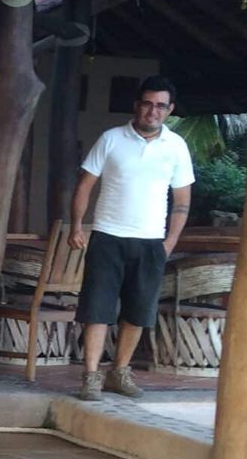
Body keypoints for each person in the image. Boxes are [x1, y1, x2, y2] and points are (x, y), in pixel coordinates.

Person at [68, 75, 194, 401]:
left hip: (152, 241)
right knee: (97, 308)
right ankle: (91, 375)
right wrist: (77, 225)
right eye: (147, 103)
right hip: (108, 235)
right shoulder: (111, 139)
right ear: (137, 105)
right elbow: (84, 185)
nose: (153, 111)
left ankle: (119, 372)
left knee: (138, 312)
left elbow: (182, 201)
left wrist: (169, 244)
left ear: (170, 110)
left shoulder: (176, 147)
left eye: (160, 106)